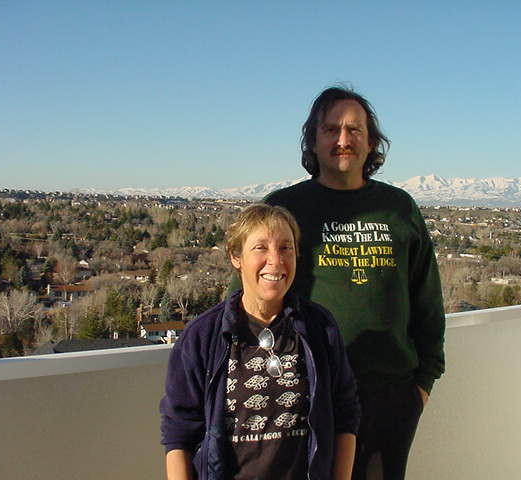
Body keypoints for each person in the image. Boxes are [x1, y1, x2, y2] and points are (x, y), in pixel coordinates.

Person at [262, 86, 446, 480]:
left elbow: (427, 300)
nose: (342, 140)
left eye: (354, 130)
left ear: (371, 141)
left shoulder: (399, 209)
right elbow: (248, 299)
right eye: (331, 130)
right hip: (303, 393)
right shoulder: (284, 208)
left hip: (388, 397)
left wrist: (421, 386)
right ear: (313, 140)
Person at [160, 204, 360, 480]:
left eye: (286, 248)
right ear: (236, 257)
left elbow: (345, 414)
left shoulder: (319, 328)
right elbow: (179, 434)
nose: (275, 260)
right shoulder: (202, 337)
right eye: (260, 248)